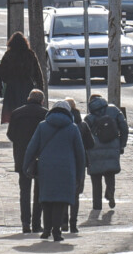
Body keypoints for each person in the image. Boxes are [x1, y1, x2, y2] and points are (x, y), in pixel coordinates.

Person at [23, 101, 86, 243]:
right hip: (66, 169)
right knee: (60, 200)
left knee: (46, 199)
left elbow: (31, 148)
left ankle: (46, 230)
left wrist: (25, 166)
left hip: (46, 168)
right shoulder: (73, 128)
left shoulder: (42, 126)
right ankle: (56, 232)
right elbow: (80, 154)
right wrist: (80, 174)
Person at [8, 87, 48, 234]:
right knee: (39, 191)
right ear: (42, 101)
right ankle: (37, 224)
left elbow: (10, 134)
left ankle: (25, 222)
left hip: (22, 156)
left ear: (28, 98)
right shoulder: (45, 114)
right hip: (40, 157)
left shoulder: (17, 113)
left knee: (24, 191)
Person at [84, 94, 129, 215]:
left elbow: (84, 135)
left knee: (96, 178)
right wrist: (122, 144)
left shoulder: (89, 117)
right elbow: (124, 128)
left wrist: (86, 152)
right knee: (110, 173)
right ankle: (110, 193)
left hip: (94, 149)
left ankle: (97, 205)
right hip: (112, 146)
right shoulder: (114, 110)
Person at [0, 32, 44, 123]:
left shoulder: (8, 55)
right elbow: (37, 73)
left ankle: (14, 127)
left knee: (12, 109)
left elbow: (1, 72)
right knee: (26, 108)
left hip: (12, 86)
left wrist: (7, 80)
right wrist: (40, 87)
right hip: (27, 85)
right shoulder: (30, 54)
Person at [65, 98, 95, 234]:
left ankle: (63, 221)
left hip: (64, 161)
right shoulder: (82, 125)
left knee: (63, 192)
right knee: (75, 194)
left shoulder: (62, 125)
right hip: (80, 162)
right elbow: (91, 144)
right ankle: (73, 223)